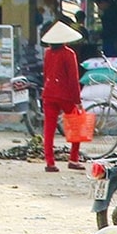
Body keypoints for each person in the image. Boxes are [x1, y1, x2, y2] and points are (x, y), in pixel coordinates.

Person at [39, 18, 84, 172]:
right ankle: (73, 158)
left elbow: (45, 74)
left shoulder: (48, 53)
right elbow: (73, 79)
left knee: (49, 129)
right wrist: (77, 100)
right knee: (76, 125)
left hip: (49, 93)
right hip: (65, 96)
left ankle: (50, 162)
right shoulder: (69, 53)